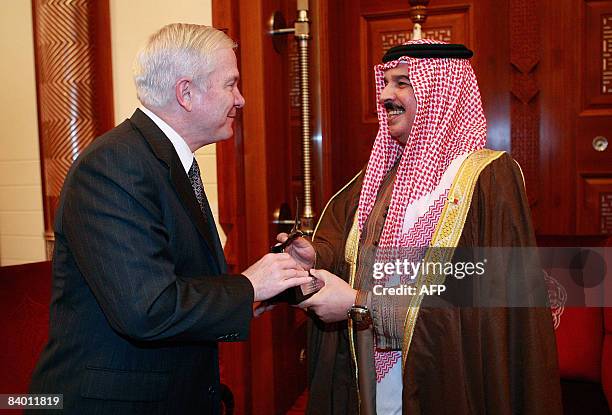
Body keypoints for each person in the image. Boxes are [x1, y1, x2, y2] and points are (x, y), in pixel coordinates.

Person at [28, 24, 311, 414]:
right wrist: (247, 287)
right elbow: (146, 309)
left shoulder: (161, 160)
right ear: (186, 93)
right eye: (231, 84)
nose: (241, 99)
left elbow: (177, 280)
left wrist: (258, 292)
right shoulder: (114, 166)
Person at [281, 40, 562, 414]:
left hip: (448, 378)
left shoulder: (488, 180)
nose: (385, 95)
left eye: (402, 82)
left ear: (441, 94)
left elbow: (482, 298)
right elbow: (348, 246)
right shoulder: (377, 178)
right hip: (370, 374)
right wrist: (315, 254)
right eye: (385, 82)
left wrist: (361, 304)